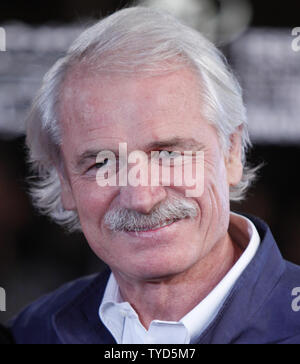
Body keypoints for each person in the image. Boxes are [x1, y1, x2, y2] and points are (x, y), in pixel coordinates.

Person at [10, 7, 300, 344]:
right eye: (103, 164)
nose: (142, 198)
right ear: (65, 181)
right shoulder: (32, 332)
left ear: (231, 152)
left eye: (169, 154)